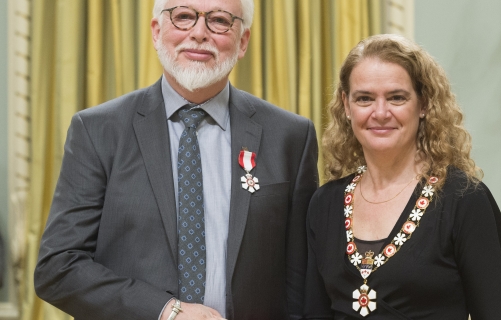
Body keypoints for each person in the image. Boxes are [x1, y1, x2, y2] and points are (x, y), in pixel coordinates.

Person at [34, 0, 318, 319]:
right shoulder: (98, 130)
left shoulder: (290, 136)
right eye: (183, 16)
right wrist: (165, 311)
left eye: (220, 20)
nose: (199, 33)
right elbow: (58, 268)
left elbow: (302, 281)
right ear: (157, 31)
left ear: (244, 42)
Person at [304, 34, 501, 320]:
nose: (380, 113)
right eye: (364, 98)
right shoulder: (324, 203)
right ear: (346, 105)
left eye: (396, 98)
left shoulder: (465, 200)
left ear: (424, 103)